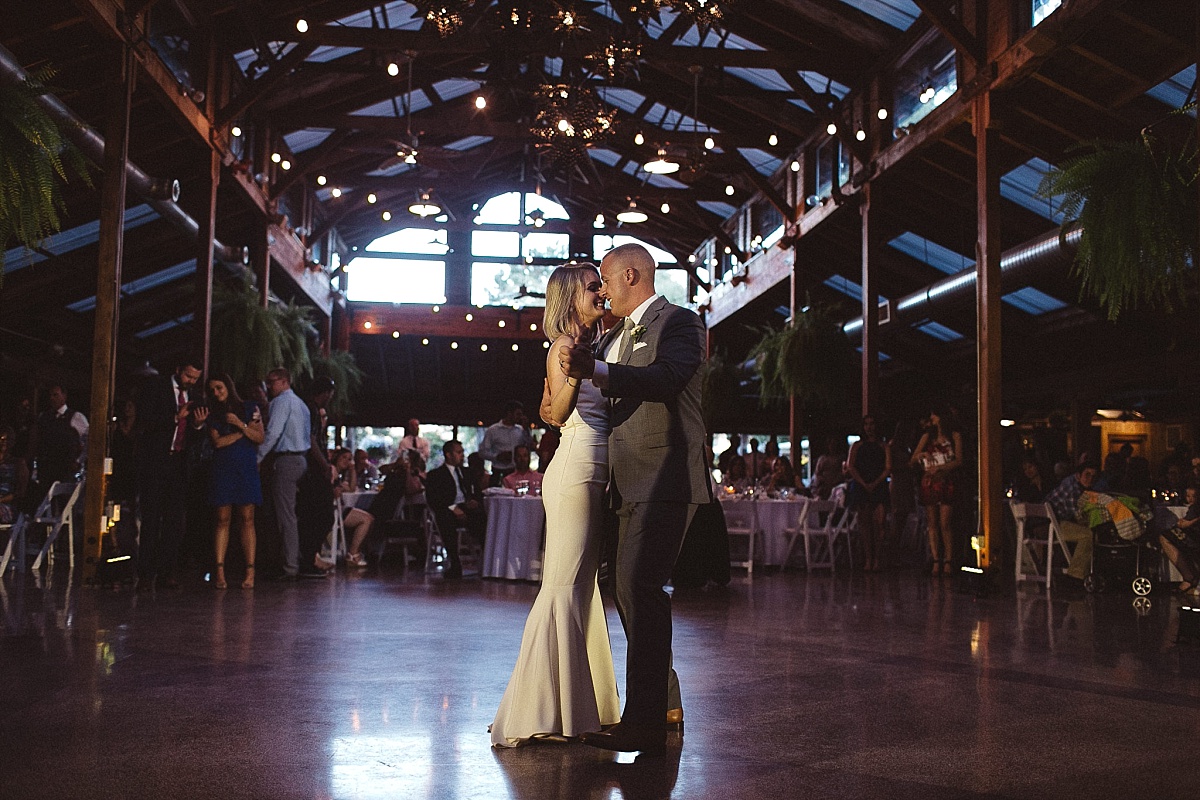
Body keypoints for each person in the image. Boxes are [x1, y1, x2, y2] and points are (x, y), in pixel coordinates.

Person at [562, 242, 710, 757]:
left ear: (631, 275)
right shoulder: (613, 337)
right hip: (623, 479)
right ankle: (661, 702)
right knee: (628, 590)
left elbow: (667, 379)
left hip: (666, 475)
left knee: (639, 586)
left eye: (605, 279)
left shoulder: (681, 323)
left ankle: (643, 721)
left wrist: (597, 371)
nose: (601, 289)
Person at [491, 263, 620, 747]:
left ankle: (579, 707)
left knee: (581, 588)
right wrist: (570, 375)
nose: (601, 292)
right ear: (570, 298)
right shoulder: (563, 348)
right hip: (575, 470)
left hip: (597, 470)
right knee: (564, 586)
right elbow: (560, 413)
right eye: (593, 287)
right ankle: (541, 710)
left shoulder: (602, 344)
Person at [136, 357, 208, 591]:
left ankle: (167, 572)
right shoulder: (156, 388)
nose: (190, 381)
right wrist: (176, 417)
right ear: (178, 370)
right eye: (188, 376)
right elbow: (145, 421)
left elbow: (196, 439)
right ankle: (145, 573)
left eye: (195, 378)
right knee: (151, 518)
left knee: (174, 521)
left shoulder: (196, 398)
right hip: (156, 460)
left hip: (179, 463)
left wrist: (197, 425)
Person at [204, 375, 264, 589]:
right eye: (212, 391)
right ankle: (219, 571)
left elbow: (259, 437)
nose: (217, 393)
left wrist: (240, 425)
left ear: (228, 386)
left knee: (247, 518)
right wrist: (242, 433)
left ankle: (250, 571)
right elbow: (218, 442)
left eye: (219, 388)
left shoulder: (250, 407)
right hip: (223, 468)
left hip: (245, 468)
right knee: (222, 518)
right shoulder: (213, 415)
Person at [257, 367, 314, 579]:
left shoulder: (281, 402)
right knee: (289, 513)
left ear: (283, 381)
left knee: (285, 515)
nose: (269, 387)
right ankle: (291, 560)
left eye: (271, 382)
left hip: (286, 459)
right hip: (300, 458)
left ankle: (289, 566)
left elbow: (273, 432)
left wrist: (258, 456)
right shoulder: (301, 404)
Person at [912, 408, 962, 576]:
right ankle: (935, 559)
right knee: (932, 522)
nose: (932, 417)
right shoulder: (927, 437)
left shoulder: (954, 436)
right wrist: (923, 456)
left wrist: (940, 468)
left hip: (946, 481)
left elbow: (959, 460)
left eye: (935, 414)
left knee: (945, 522)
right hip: (930, 482)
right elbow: (913, 459)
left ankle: (948, 559)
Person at [425, 440, 484, 579]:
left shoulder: (467, 472)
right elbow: (434, 499)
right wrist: (453, 508)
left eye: (462, 452)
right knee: (445, 519)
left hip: (466, 506)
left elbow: (477, 492)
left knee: (482, 518)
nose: (462, 455)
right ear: (448, 455)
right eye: (459, 452)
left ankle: (487, 559)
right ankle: (455, 563)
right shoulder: (436, 475)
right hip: (447, 508)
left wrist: (474, 501)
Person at [846, 415, 891, 572]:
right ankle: (868, 558)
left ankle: (877, 558)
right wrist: (863, 483)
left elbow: (887, 467)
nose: (869, 427)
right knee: (864, 524)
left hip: (878, 486)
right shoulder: (857, 446)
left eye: (872, 424)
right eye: (866, 424)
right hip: (861, 484)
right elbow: (851, 466)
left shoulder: (883, 446)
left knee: (879, 523)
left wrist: (876, 482)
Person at [1045, 460, 1099, 585]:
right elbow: (1077, 515)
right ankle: (1076, 575)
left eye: (1093, 476)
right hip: (1052, 525)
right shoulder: (1072, 487)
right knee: (1089, 535)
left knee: (1092, 533)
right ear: (1078, 475)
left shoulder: (1083, 487)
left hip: (1059, 522)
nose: (1090, 479)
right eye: (1087, 475)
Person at [33, 384, 88, 488]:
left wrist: (78, 460)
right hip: (46, 469)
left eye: (55, 395)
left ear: (64, 396)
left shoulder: (76, 417)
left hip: (65, 469)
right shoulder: (44, 417)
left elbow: (89, 441)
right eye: (50, 395)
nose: (52, 398)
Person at [332, 447, 376, 568]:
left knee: (369, 518)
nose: (346, 461)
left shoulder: (340, 475)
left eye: (349, 459)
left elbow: (351, 488)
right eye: (344, 458)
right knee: (366, 519)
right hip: (334, 510)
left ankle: (354, 551)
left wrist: (352, 470)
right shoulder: (333, 471)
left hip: (339, 508)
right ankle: (353, 553)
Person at [479, 401, 535, 486]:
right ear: (509, 414)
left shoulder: (520, 430)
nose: (520, 417)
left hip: (515, 471)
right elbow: (482, 452)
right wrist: (497, 457)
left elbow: (529, 446)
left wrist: (526, 429)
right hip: (498, 470)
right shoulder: (493, 430)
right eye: (518, 414)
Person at [1160, 483, 1200, 596]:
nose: (1191, 499)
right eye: (1188, 496)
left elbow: (1184, 524)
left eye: (1194, 496)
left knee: (1165, 537)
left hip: (1195, 537)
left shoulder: (1196, 507)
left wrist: (1185, 523)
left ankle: (1188, 577)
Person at [0, 426, 30, 524]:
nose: (3, 441)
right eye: (1, 438)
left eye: (6, 439)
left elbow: (19, 493)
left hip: (8, 506)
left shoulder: (18, 463)